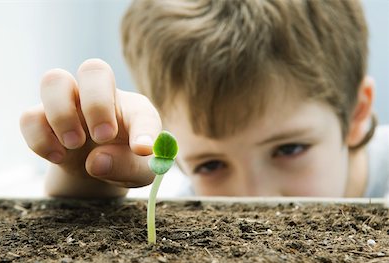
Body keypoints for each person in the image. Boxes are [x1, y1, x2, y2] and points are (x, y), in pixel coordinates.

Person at [20, 0, 388, 199]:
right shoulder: (182, 194)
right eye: (211, 165)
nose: (251, 199)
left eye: (289, 149)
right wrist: (84, 174)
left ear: (357, 115)